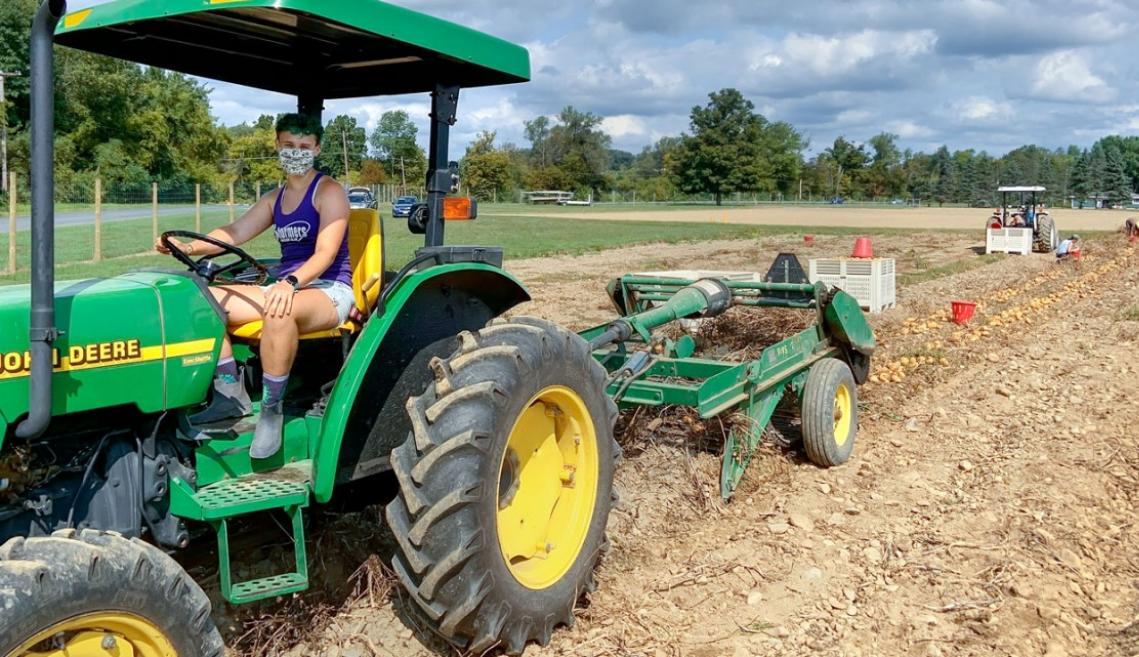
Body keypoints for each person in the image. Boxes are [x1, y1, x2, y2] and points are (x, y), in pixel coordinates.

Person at [155, 113, 353, 458]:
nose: (296, 151)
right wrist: (186, 247)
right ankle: (229, 394)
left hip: (327, 287)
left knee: (280, 308)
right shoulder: (274, 199)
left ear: (317, 148)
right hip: (283, 284)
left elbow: (325, 253)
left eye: (304, 146)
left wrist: (290, 282)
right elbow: (232, 234)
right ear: (277, 145)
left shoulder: (329, 192)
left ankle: (271, 411)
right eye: (289, 145)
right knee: (201, 297)